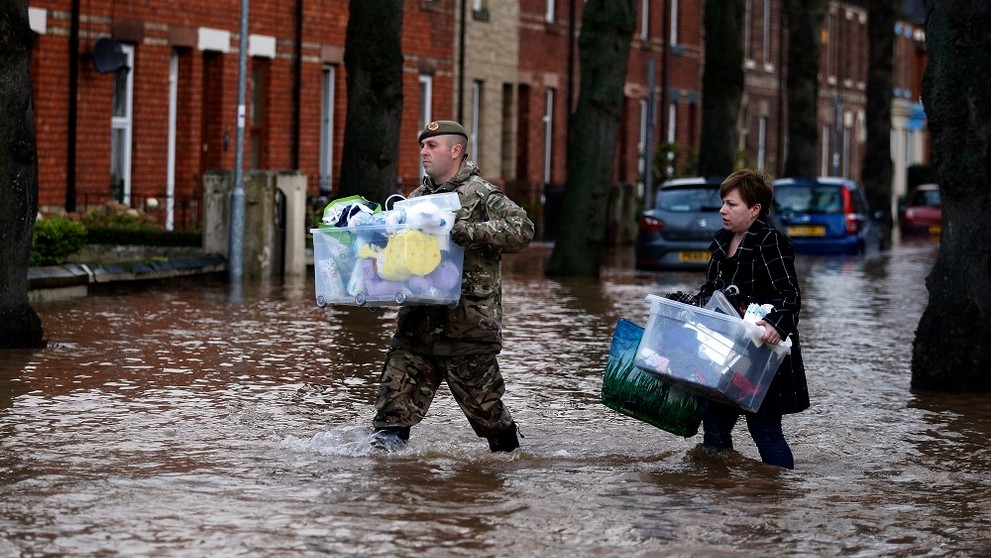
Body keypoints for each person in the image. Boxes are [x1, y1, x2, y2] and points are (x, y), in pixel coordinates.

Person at [370, 120, 535, 453]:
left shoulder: (481, 194)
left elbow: (523, 230)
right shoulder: (415, 200)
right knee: (391, 416)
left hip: (467, 329)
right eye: (422, 146)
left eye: (432, 146)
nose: (424, 152)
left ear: (456, 151)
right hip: (417, 329)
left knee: (490, 418)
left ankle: (511, 465)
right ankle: (387, 477)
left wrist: (470, 231)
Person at [695, 168, 809, 469]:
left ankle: (778, 491)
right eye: (723, 203)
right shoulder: (721, 241)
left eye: (731, 204)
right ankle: (717, 486)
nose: (722, 210)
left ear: (754, 209)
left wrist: (774, 324)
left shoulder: (771, 242)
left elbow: (789, 295)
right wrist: (688, 307)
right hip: (726, 353)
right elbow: (711, 291)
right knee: (715, 426)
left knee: (765, 431)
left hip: (764, 356)